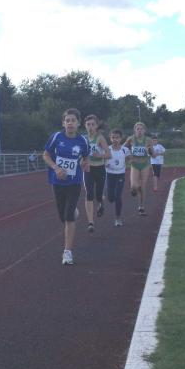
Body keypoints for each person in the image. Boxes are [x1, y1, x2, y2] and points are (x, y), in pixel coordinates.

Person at [43, 108, 90, 265]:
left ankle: (67, 252)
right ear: (63, 123)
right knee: (62, 216)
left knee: (68, 216)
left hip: (74, 182)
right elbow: (45, 154)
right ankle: (73, 210)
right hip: (57, 182)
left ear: (78, 123)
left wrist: (85, 163)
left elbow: (86, 157)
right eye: (67, 120)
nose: (70, 123)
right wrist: (56, 168)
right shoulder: (56, 137)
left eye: (73, 120)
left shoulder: (83, 141)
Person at [82, 114, 109, 233]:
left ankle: (101, 203)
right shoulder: (83, 139)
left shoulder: (100, 138)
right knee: (89, 193)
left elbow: (109, 154)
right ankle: (90, 222)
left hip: (100, 169)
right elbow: (79, 153)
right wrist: (82, 161)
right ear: (85, 126)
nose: (90, 127)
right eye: (88, 124)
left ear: (96, 126)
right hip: (88, 169)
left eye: (93, 124)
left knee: (98, 195)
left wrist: (99, 155)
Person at [125, 121, 154, 216]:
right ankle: (134, 189)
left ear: (145, 130)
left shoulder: (148, 140)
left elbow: (153, 154)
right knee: (134, 187)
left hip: (145, 164)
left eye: (141, 129)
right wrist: (128, 158)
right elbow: (123, 149)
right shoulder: (131, 139)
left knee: (142, 187)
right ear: (135, 130)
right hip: (135, 164)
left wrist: (149, 150)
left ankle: (141, 207)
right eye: (138, 129)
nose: (139, 131)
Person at [105, 128, 131, 226]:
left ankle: (118, 218)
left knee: (118, 196)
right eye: (113, 137)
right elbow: (103, 159)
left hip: (120, 174)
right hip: (110, 174)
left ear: (121, 138)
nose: (115, 139)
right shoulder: (107, 149)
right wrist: (105, 163)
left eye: (117, 137)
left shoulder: (125, 150)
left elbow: (129, 159)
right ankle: (110, 197)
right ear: (110, 138)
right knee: (111, 198)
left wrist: (131, 160)